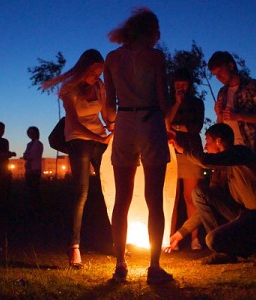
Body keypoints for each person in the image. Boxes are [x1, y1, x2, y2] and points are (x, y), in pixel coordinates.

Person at [104, 7, 173, 284]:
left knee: (122, 199)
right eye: (157, 31)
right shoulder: (155, 57)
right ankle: (154, 267)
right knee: (154, 200)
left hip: (124, 123)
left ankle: (120, 265)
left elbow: (109, 108)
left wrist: (114, 121)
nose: (159, 37)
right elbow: (163, 100)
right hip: (150, 120)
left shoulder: (111, 58)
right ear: (150, 31)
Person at [166, 123, 256, 266]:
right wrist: (180, 233)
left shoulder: (242, 153)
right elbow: (207, 203)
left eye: (207, 142)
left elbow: (205, 160)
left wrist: (183, 149)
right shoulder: (221, 171)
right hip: (244, 214)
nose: (205, 147)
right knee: (200, 193)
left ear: (219, 141)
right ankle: (225, 253)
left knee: (212, 240)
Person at [42, 49, 112, 269]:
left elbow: (108, 116)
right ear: (83, 69)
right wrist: (100, 139)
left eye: (100, 73)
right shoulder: (69, 89)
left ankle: (113, 241)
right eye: (93, 73)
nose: (96, 77)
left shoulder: (100, 86)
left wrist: (111, 122)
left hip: (101, 139)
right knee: (81, 192)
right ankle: (74, 247)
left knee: (110, 188)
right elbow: (74, 120)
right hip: (79, 140)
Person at [168, 68, 205, 251]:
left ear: (189, 85)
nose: (180, 88)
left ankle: (194, 238)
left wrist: (176, 127)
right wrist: (176, 104)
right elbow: (166, 122)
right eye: (177, 85)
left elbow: (195, 127)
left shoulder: (197, 103)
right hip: (171, 154)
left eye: (183, 84)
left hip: (190, 152)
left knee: (190, 197)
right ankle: (170, 237)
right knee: (171, 198)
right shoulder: (169, 103)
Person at [208, 51, 256, 154]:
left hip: (248, 150)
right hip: (227, 150)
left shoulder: (253, 86)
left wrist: (239, 116)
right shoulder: (222, 92)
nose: (218, 77)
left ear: (230, 65)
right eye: (215, 75)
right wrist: (219, 114)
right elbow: (221, 123)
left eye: (220, 72)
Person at [22, 126, 43, 218]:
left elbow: (32, 156)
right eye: (29, 133)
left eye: (32, 133)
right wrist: (27, 156)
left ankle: (36, 209)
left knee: (35, 189)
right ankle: (33, 208)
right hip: (29, 170)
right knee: (30, 189)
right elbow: (25, 155)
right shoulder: (29, 144)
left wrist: (27, 156)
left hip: (35, 169)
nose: (31, 134)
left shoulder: (38, 144)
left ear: (36, 133)